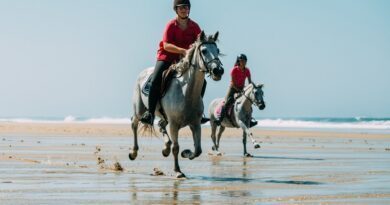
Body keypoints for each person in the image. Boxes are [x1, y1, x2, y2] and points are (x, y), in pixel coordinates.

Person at [140, 0, 209, 125]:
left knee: (202, 82)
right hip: (167, 57)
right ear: (176, 10)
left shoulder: (195, 26)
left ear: (189, 9)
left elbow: (200, 44)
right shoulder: (171, 25)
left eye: (186, 7)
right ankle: (150, 113)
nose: (184, 9)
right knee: (156, 79)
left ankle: (197, 110)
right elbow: (166, 45)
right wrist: (182, 50)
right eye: (181, 7)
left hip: (185, 60)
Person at [215, 54, 257, 127]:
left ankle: (249, 120)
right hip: (233, 88)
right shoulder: (234, 70)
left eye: (245, 61)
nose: (244, 62)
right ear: (239, 61)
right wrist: (239, 90)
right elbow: (233, 83)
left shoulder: (247, 70)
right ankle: (220, 118)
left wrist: (252, 87)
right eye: (242, 61)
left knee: (248, 102)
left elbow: (250, 83)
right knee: (227, 102)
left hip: (242, 89)